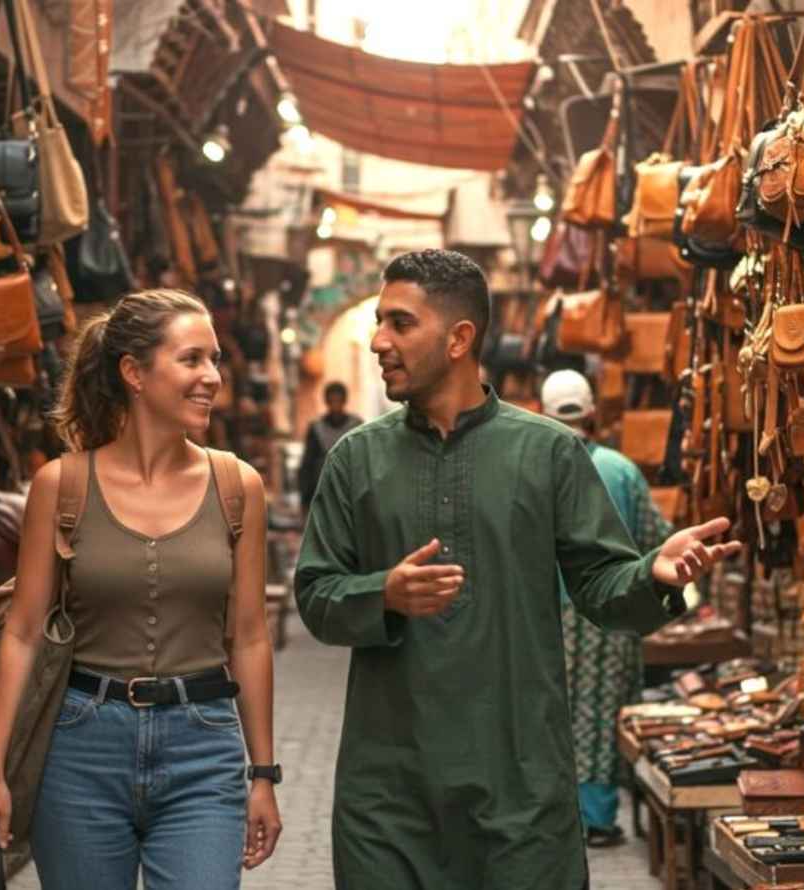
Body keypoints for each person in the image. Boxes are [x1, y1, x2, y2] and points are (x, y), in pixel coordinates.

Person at [295, 249, 742, 890]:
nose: (377, 341)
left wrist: (654, 574)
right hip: (390, 793)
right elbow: (315, 593)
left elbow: (600, 584)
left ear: (459, 338)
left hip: (521, 788)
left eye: (399, 323)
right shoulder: (356, 461)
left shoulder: (548, 453)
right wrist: (382, 593)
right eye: (379, 322)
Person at [0, 290, 283, 889]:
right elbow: (22, 631)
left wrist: (263, 774)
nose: (212, 378)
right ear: (134, 372)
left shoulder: (237, 486)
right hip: (82, 747)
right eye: (192, 360)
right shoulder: (61, 486)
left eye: (215, 360)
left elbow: (247, 637)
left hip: (204, 748)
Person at [540, 369, 674, 849]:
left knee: (546, 714)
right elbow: (658, 540)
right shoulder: (620, 469)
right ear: (592, 412)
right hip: (610, 611)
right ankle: (597, 818)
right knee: (599, 716)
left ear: (543, 413)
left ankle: (551, 817)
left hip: (544, 615)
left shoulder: (533, 466)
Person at [297, 381, 363, 510]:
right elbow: (307, 463)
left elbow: (363, 460)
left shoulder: (356, 426)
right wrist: (305, 498)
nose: (335, 404)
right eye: (332, 400)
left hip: (350, 487)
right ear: (326, 401)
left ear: (344, 401)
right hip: (322, 487)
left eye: (338, 400)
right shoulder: (317, 428)